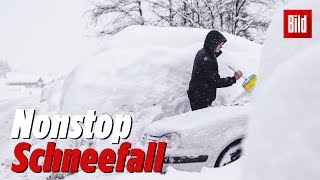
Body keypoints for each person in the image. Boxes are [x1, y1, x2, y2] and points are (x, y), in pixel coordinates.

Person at [187, 30, 243, 111]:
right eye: (219, 43)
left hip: (198, 94)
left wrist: (215, 54)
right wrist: (234, 78)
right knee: (202, 121)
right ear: (213, 43)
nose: (221, 46)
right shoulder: (208, 59)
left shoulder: (203, 52)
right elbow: (215, 81)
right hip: (200, 98)